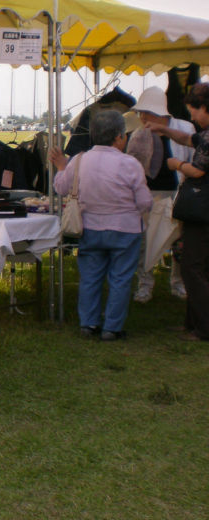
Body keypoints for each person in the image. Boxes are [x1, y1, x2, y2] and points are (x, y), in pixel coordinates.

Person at [50, 109, 153, 341]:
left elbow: (61, 188)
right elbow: (145, 201)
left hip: (90, 228)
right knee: (121, 279)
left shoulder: (78, 160)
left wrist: (60, 168)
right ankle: (112, 328)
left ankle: (88, 323)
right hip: (125, 230)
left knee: (90, 277)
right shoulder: (130, 163)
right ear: (119, 137)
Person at [146, 82, 209, 341]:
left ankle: (203, 328)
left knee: (192, 268)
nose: (191, 117)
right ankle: (192, 323)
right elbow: (187, 138)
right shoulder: (203, 134)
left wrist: (177, 164)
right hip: (202, 211)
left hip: (202, 211)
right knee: (197, 267)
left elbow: (199, 170)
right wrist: (163, 128)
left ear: (205, 107)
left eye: (194, 111)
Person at [130, 87, 195, 303]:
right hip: (147, 195)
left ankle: (178, 283)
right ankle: (145, 285)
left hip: (177, 193)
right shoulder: (139, 134)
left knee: (178, 241)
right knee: (144, 243)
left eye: (144, 113)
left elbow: (194, 160)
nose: (142, 117)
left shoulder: (184, 129)